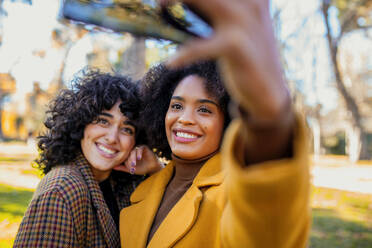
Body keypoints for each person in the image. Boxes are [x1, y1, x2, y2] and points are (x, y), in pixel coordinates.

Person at [118, 0, 310, 247]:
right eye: (176, 106)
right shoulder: (147, 183)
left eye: (204, 109)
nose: (185, 118)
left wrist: (268, 120)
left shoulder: (235, 192)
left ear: (228, 121)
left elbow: (267, 232)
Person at [14, 70, 161, 248]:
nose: (112, 137)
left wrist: (156, 169)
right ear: (81, 123)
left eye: (127, 129)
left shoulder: (119, 183)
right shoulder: (61, 191)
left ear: (136, 140)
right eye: (103, 121)